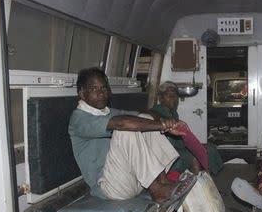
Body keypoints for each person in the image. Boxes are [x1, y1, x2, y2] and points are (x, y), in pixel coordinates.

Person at [68, 67, 196, 203]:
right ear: (82, 93)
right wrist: (162, 126)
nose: (101, 93)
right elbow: (122, 123)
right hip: (109, 187)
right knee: (125, 128)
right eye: (94, 89)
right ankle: (157, 189)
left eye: (104, 88)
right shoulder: (79, 119)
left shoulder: (106, 112)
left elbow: (146, 115)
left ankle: (163, 181)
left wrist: (169, 122)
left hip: (134, 181)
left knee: (145, 118)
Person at [150, 81, 224, 175]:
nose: (174, 99)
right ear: (161, 98)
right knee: (192, 158)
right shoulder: (157, 110)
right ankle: (198, 186)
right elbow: (151, 114)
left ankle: (208, 178)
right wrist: (162, 119)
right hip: (169, 149)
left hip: (181, 146)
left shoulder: (173, 112)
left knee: (210, 148)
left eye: (176, 96)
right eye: (170, 96)